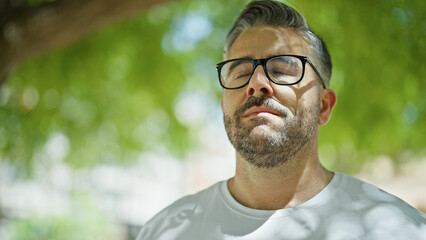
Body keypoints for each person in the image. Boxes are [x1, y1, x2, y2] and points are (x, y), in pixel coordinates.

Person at [136, 1, 426, 239]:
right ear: (223, 102)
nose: (257, 82)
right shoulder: (164, 231)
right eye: (239, 71)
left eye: (283, 68)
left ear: (324, 106)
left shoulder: (401, 230)